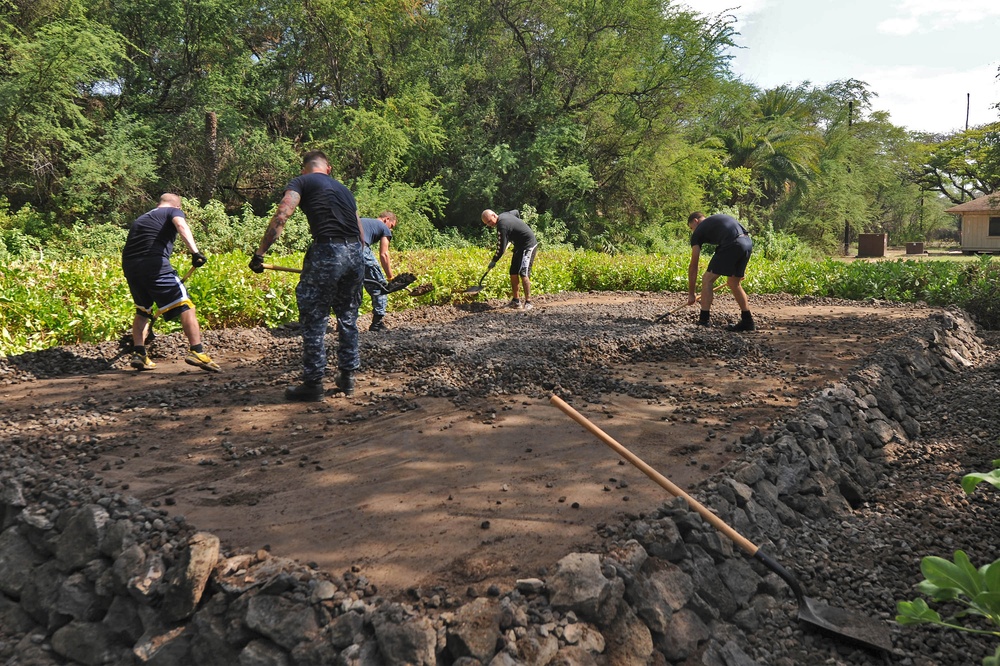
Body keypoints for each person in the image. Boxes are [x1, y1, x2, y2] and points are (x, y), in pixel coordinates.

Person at [249, 150, 365, 401]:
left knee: (315, 316)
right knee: (347, 315)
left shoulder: (301, 182)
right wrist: (354, 259)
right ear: (328, 169)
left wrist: (260, 253)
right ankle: (347, 377)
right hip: (356, 252)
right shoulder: (345, 190)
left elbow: (282, 214)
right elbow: (360, 231)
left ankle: (313, 383)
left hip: (327, 250)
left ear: (305, 169)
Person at [121, 193, 220, 372]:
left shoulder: (142, 218)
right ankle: (197, 351)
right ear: (178, 207)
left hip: (130, 267)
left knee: (143, 310)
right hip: (153, 264)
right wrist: (195, 252)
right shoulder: (172, 212)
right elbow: (181, 225)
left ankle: (139, 353)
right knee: (186, 305)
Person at [687, 211, 755, 332]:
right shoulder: (716, 220)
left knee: (707, 279)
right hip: (747, 243)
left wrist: (691, 294)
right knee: (734, 283)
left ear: (696, 221)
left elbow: (694, 265)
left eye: (692, 228)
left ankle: (703, 321)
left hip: (732, 243)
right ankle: (747, 322)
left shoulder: (698, 231)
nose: (693, 231)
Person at [481, 209, 538, 310]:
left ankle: (528, 302)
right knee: (513, 271)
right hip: (519, 246)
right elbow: (516, 212)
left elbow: (501, 248)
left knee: (523, 272)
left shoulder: (502, 226)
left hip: (528, 245)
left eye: (489, 221)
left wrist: (494, 260)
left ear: (494, 215)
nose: (489, 225)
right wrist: (516, 231)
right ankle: (516, 301)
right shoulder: (505, 214)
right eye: (487, 223)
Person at [360, 211, 398, 332]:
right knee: (380, 286)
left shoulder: (362, 221)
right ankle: (377, 323)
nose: (390, 230)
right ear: (387, 219)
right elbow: (384, 254)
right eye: (391, 226)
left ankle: (343, 324)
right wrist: (390, 278)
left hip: (339, 250)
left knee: (350, 286)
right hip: (360, 249)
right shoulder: (382, 226)